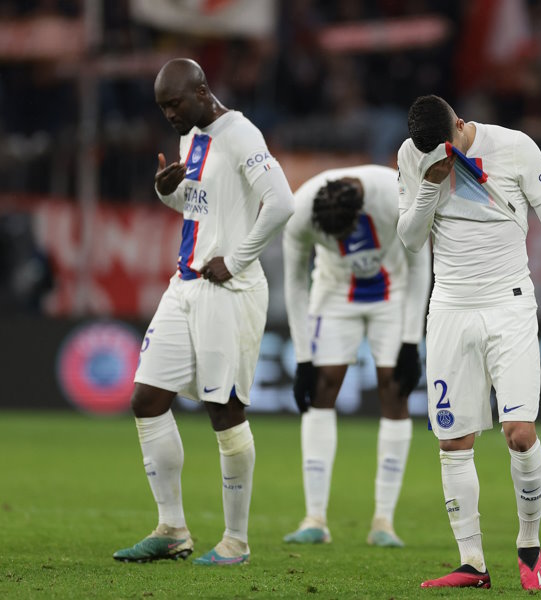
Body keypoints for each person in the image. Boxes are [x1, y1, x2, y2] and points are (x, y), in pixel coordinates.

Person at [398, 95, 541, 591]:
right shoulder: (413, 155)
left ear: (460, 124)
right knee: (453, 440)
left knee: (518, 431)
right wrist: (429, 185)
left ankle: (529, 546)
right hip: (449, 307)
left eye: (446, 146)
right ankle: (472, 563)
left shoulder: (516, 147)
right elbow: (409, 239)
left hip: (508, 305)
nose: (442, 156)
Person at [112, 58, 294, 565]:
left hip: (230, 291)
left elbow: (282, 203)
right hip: (186, 283)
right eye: (162, 108)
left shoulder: (241, 134)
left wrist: (236, 260)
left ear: (201, 92)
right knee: (147, 399)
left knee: (224, 409)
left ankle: (236, 541)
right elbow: (201, 208)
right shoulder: (191, 137)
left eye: (174, 104)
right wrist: (167, 191)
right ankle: (172, 528)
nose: (169, 115)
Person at [281, 165, 431, 547]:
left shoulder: (395, 194)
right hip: (334, 294)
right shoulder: (299, 211)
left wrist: (412, 340)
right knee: (321, 389)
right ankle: (314, 518)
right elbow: (295, 282)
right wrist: (303, 358)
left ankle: (384, 521)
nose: (340, 244)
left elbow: (419, 263)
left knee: (394, 390)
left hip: (392, 293)